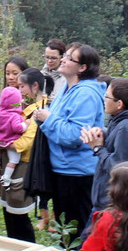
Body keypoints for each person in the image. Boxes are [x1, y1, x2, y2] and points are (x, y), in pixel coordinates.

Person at [33, 43, 105, 237]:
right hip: (62, 170)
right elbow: (58, 122)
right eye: (64, 55)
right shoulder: (66, 87)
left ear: (82, 68)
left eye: (69, 58)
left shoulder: (86, 94)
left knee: (78, 230)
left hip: (77, 173)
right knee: (66, 230)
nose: (63, 59)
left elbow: (75, 135)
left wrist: (47, 119)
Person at [80, 78, 128, 216]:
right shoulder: (123, 121)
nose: (104, 99)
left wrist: (98, 149)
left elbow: (119, 168)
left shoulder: (126, 127)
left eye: (107, 96)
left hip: (112, 205)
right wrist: (103, 134)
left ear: (119, 104)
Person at [0, 67, 45, 242]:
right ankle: (13, 244)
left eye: (22, 86)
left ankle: (25, 246)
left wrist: (4, 143)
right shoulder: (29, 107)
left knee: (17, 210)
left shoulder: (41, 108)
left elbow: (27, 141)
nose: (20, 91)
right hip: (12, 160)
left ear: (35, 86)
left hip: (22, 163)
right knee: (9, 209)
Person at [0, 87, 27, 187]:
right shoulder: (14, 116)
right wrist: (26, 124)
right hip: (10, 141)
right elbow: (18, 128)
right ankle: (6, 177)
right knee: (13, 161)